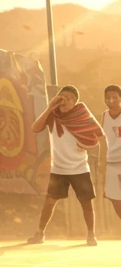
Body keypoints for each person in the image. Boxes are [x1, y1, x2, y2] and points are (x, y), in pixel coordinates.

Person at [27, 85, 103, 246]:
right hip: (58, 168)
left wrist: (87, 146)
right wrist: (50, 107)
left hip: (80, 167)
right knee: (50, 201)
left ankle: (91, 234)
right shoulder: (52, 115)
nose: (65, 100)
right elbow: (35, 128)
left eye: (69, 98)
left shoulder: (82, 115)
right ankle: (40, 233)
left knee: (86, 202)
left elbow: (97, 138)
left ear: (75, 102)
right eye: (62, 96)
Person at [102, 84, 121, 227]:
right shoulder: (104, 116)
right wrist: (101, 163)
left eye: (114, 97)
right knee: (114, 198)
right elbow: (102, 141)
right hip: (111, 162)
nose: (111, 100)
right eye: (108, 97)